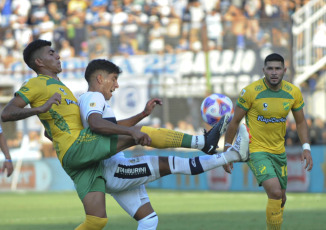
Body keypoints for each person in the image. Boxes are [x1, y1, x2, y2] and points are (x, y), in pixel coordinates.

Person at [0, 39, 230, 230]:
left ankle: (205, 144)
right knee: (138, 134)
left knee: (97, 221)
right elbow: (7, 113)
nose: (58, 55)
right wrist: (39, 110)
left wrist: (139, 116)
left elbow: (59, 129)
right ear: (39, 62)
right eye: (51, 53)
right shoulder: (37, 84)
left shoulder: (64, 90)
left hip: (80, 159)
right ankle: (203, 142)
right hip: (78, 148)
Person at [78, 59, 251, 229]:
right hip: (112, 169)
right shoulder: (93, 97)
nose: (116, 85)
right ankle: (224, 150)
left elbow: (110, 126)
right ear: (100, 78)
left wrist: (142, 114)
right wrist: (133, 131)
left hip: (111, 168)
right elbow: (96, 124)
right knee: (172, 163)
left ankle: (213, 146)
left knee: (148, 220)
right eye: (114, 78)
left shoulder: (95, 101)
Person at [223, 53, 313, 230]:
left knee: (281, 199)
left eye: (277, 68)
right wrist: (227, 149)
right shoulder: (250, 92)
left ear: (284, 71)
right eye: (270, 68)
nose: (274, 72)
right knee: (275, 192)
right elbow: (234, 122)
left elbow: (301, 122)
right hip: (256, 150)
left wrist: (306, 147)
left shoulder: (293, 92)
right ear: (263, 70)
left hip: (279, 152)